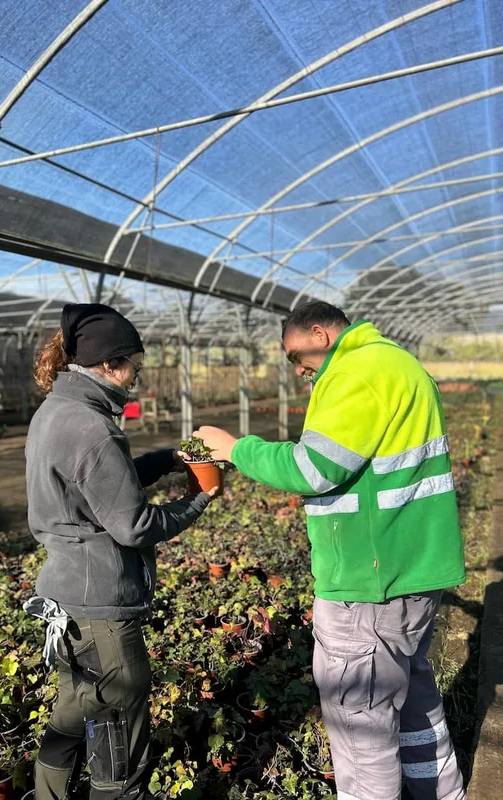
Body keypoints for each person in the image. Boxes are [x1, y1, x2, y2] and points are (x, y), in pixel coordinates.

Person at [194, 301, 466, 800]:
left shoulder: (355, 371)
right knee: (412, 700)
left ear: (319, 334)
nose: (299, 371)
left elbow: (313, 468)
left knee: (360, 726)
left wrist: (234, 449)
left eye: (298, 358)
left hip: (369, 581)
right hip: (414, 571)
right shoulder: (399, 364)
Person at [24, 303, 216, 800]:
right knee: (117, 728)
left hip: (65, 599)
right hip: (101, 610)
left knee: (73, 709)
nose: (138, 374)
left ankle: (48, 794)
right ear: (110, 364)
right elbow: (133, 524)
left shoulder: (56, 412)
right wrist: (199, 499)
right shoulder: (93, 428)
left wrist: (166, 460)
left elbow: (101, 486)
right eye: (134, 363)